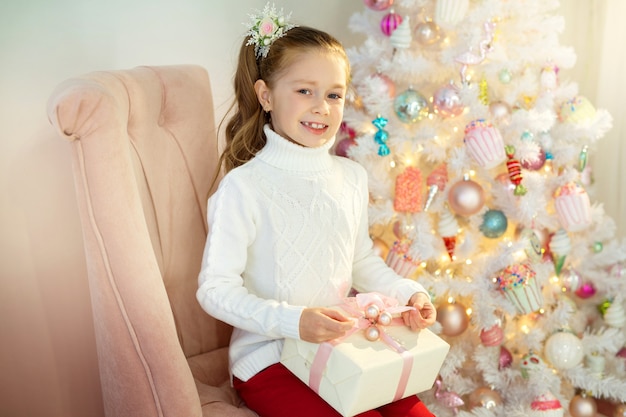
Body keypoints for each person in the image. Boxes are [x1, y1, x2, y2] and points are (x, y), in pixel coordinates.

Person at [196, 4, 437, 417]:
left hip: (345, 350)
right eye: (304, 91)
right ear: (266, 95)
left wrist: (408, 293)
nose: (322, 106)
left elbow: (361, 261)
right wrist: (295, 322)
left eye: (334, 94)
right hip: (270, 361)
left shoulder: (351, 177)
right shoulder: (244, 187)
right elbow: (214, 290)